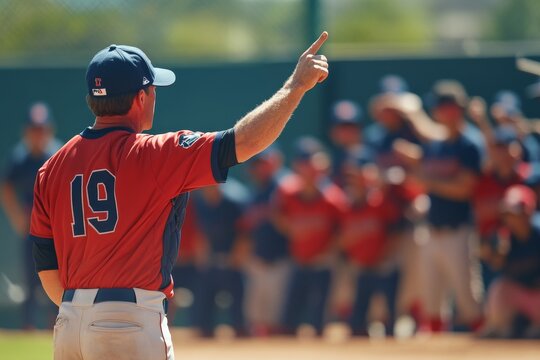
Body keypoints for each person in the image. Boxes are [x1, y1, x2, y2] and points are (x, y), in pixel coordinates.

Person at [30, 33, 329, 360]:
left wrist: (84, 313)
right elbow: (244, 142)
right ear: (140, 98)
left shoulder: (51, 167)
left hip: (69, 325)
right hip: (130, 322)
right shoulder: (156, 154)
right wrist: (295, 86)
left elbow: (47, 267)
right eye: (152, 89)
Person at [394, 80, 484, 332]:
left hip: (459, 229)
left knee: (468, 299)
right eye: (440, 107)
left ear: (459, 108)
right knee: (430, 299)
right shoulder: (437, 142)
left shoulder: (470, 143)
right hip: (432, 229)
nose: (444, 112)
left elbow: (465, 188)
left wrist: (426, 181)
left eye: (449, 106)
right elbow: (427, 163)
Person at [273, 136, 347, 336]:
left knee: (319, 321)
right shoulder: (288, 191)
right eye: (304, 165)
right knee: (289, 320)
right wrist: (291, 229)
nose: (309, 171)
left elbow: (343, 230)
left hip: (323, 264)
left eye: (313, 166)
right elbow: (277, 214)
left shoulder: (333, 197)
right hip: (298, 261)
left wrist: (330, 251)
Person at [1, 102, 61, 329]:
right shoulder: (20, 158)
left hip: (55, 230)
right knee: (31, 281)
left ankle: (57, 326)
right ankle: (28, 329)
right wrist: (17, 217)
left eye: (42, 128)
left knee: (57, 279)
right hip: (31, 229)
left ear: (49, 130)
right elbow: (6, 186)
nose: (38, 134)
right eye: (34, 129)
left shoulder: (57, 154)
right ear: (26, 131)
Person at [338, 155, 401, 337]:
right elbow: (342, 237)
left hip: (384, 264)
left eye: (357, 176)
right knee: (358, 321)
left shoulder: (380, 201)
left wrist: (385, 254)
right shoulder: (346, 205)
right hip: (362, 265)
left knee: (389, 317)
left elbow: (395, 231)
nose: (353, 181)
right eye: (350, 177)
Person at [243, 146, 291, 336]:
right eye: (257, 165)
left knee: (276, 313)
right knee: (257, 313)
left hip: (281, 256)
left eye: (263, 164)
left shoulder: (286, 186)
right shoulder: (256, 191)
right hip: (259, 257)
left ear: (275, 162)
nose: (259, 169)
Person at [481, 185, 540, 338]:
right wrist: (498, 253)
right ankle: (500, 328)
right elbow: (497, 266)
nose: (512, 219)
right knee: (499, 288)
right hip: (522, 296)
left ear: (529, 212)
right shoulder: (504, 238)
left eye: (516, 213)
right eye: (508, 214)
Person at [192, 183, 249, 337]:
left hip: (233, 259)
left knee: (238, 301)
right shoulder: (202, 204)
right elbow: (201, 231)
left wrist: (238, 256)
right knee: (205, 299)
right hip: (212, 259)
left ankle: (240, 330)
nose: (207, 190)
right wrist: (202, 255)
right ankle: (205, 329)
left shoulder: (232, 203)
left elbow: (244, 233)